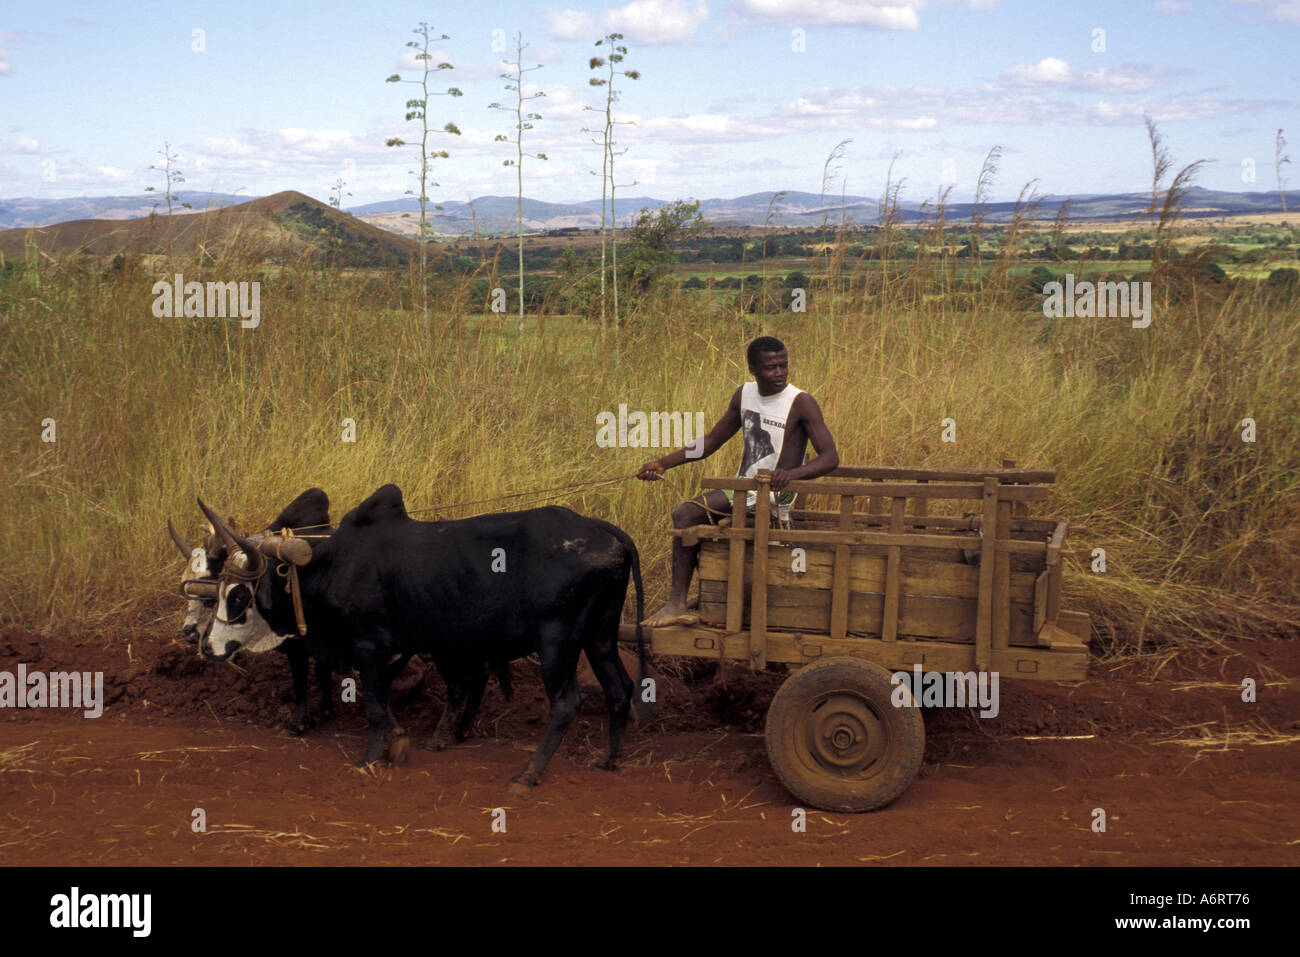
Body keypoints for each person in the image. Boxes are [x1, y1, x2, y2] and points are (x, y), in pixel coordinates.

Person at [636, 336, 839, 626]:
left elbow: (830, 457)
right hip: (747, 488)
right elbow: (711, 441)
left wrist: (791, 474)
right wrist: (663, 464)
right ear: (752, 369)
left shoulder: (801, 402)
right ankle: (697, 597)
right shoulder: (743, 395)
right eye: (771, 367)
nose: (780, 372)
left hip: (773, 495)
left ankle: (677, 604)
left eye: (784, 365)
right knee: (690, 515)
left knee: (686, 514)